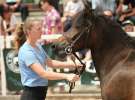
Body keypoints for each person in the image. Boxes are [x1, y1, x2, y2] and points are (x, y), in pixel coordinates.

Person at [17, 17, 81, 100]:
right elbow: (43, 73)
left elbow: (50, 63)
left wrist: (73, 64)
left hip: (38, 93)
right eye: (38, 29)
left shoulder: (37, 46)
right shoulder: (26, 51)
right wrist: (66, 76)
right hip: (31, 95)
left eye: (41, 28)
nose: (41, 30)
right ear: (29, 31)